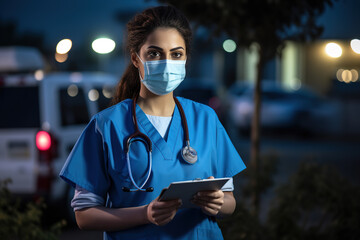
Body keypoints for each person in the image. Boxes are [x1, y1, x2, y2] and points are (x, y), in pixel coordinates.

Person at [60, 5, 246, 240]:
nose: (167, 63)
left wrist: (218, 202)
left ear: (186, 58)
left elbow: (229, 201)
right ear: (136, 58)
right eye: (155, 54)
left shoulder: (205, 118)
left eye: (176, 54)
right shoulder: (106, 125)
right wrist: (145, 214)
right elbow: (84, 215)